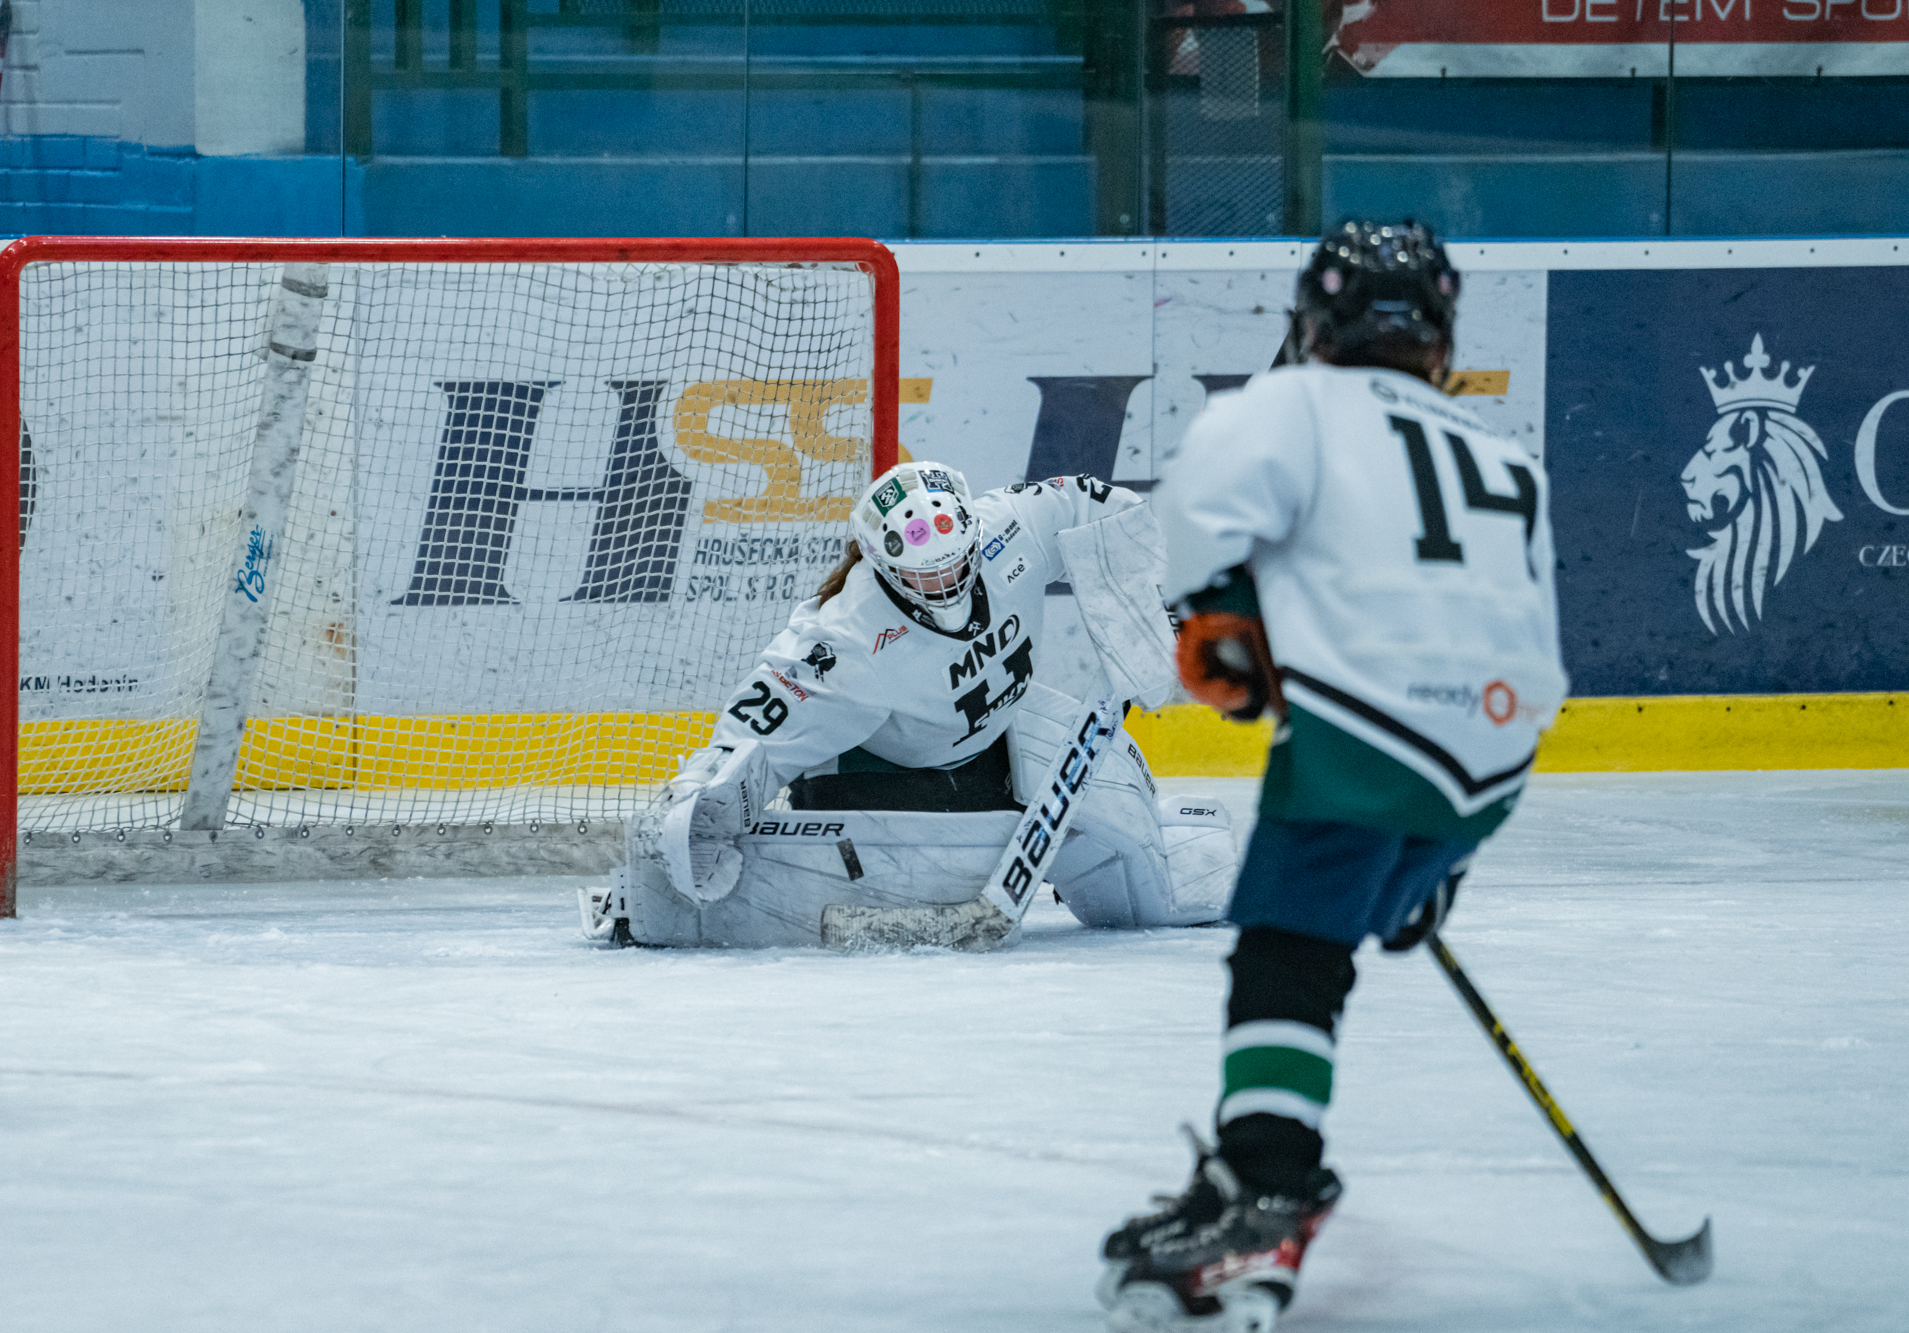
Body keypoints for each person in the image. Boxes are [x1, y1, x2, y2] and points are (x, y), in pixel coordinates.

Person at [1097, 220, 1568, 1331]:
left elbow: (1196, 543)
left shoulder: (1287, 406)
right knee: (1320, 943)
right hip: (1492, 761)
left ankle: (1264, 1189)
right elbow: (1521, 637)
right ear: (1438, 335)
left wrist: (1227, 628)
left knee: (1285, 958)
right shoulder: (1503, 456)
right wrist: (1430, 859)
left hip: (1368, 735)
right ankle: (1247, 1174)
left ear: (1313, 319)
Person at [601, 461, 1243, 949]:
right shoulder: (847, 637)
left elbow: (1094, 503)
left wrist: (1142, 612)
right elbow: (758, 723)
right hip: (873, 780)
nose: (943, 581)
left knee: (1148, 894)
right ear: (881, 564)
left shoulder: (1004, 533)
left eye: (953, 561)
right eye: (920, 573)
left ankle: (1180, 822)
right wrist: (697, 804)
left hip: (1001, 741)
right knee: (935, 870)